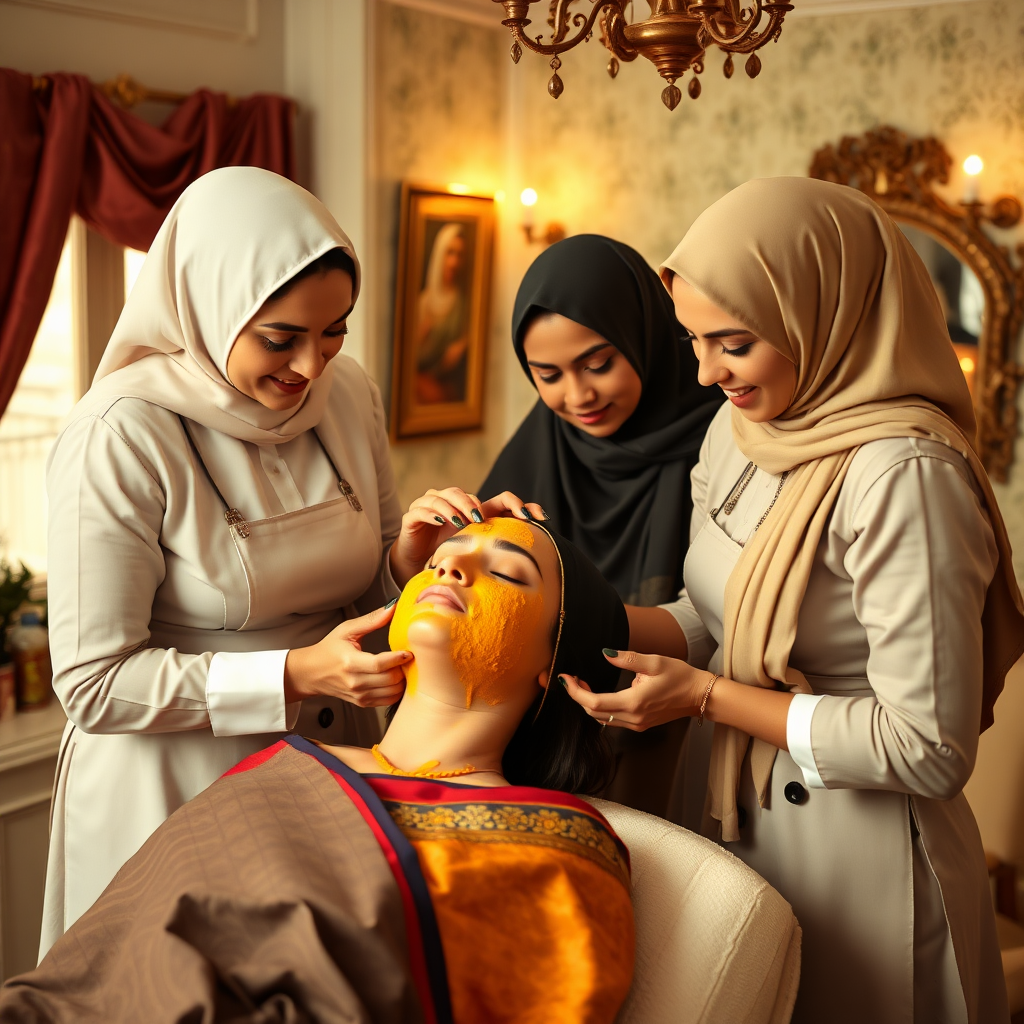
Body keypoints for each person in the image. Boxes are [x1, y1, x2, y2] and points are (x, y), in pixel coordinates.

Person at [39, 167, 542, 958]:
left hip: (331, 766)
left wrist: (407, 558)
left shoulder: (348, 396)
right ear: (206, 307)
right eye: (280, 338)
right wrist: (296, 676)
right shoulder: (121, 433)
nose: (311, 366)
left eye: (334, 329)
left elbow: (369, 595)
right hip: (171, 782)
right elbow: (93, 683)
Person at [561, 178, 1024, 1023]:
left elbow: (926, 745)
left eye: (732, 343)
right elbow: (721, 613)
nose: (705, 373)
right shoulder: (741, 428)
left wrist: (705, 697)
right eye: (694, 341)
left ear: (823, 316)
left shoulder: (903, 477)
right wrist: (565, 612)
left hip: (863, 853)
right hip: (737, 816)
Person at [1, 518, 634, 1024]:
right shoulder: (287, 769)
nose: (449, 565)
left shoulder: (554, 846)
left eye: (505, 573)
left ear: (557, 664)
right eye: (445, 553)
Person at [482, 234, 721, 815]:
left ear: (643, 335)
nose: (578, 395)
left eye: (598, 364)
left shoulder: (725, 436)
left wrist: (570, 621)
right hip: (550, 739)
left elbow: (720, 613)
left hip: (688, 720)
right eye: (548, 374)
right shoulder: (538, 448)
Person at [415, 222, 469, 404]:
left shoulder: (462, 302)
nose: (454, 262)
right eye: (450, 253)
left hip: (449, 385)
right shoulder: (424, 303)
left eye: (459, 255)